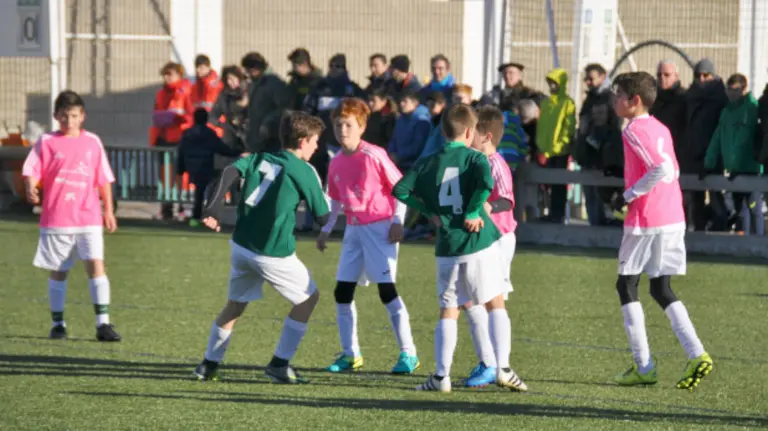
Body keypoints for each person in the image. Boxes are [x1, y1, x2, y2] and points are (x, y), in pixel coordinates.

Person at [193, 111, 331, 384]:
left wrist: (213, 208)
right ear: (303, 140)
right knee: (308, 298)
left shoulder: (261, 158)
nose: (317, 147)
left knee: (234, 306)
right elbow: (323, 216)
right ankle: (279, 365)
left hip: (242, 247)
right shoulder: (304, 170)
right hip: (273, 253)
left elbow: (230, 171)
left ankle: (207, 365)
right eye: (315, 141)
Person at [392, 104, 522, 393]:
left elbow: (399, 190)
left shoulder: (427, 162)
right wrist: (474, 210)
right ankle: (503, 368)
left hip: (447, 246)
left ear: (442, 131)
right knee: (495, 302)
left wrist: (428, 211)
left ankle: (441, 376)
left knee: (448, 309)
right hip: (478, 242)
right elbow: (487, 184)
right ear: (469, 131)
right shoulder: (475, 158)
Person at [609, 72, 712, 390]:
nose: (614, 100)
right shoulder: (660, 127)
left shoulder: (634, 130)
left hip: (647, 220)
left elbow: (663, 168)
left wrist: (628, 195)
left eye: (618, 94)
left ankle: (644, 366)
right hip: (671, 216)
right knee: (660, 288)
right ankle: (697, 354)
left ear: (634, 101)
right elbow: (673, 167)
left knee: (626, 286)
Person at [316, 98, 420, 375]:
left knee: (386, 292)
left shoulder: (374, 155)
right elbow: (336, 199)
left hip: (380, 228)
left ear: (361, 126)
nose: (343, 130)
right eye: (338, 125)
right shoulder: (336, 161)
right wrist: (326, 229)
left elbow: (401, 188)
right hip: (353, 230)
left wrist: (398, 220)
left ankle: (409, 354)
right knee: (342, 292)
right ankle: (351, 354)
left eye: (348, 124)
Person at [22, 90, 121, 342]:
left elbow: (103, 178)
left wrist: (108, 209)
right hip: (57, 219)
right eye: (64, 116)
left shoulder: (92, 142)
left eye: (74, 116)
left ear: (83, 116)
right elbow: (33, 169)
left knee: (96, 265)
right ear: (56, 116)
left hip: (88, 217)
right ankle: (58, 324)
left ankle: (103, 324)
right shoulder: (47, 142)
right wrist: (31, 187)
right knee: (58, 271)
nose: (69, 121)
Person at [460, 106, 527, 390]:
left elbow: (508, 201)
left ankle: (497, 364)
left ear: (485, 136)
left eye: (472, 132)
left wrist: (488, 206)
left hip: (499, 238)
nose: (467, 136)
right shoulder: (473, 161)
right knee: (468, 298)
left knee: (490, 299)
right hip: (480, 238)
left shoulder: (497, 164)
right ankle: (489, 361)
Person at [703, 73, 762, 235]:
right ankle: (743, 246)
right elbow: (717, 138)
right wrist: (709, 163)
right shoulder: (727, 112)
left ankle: (758, 246)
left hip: (751, 169)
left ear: (744, 90)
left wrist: (737, 165)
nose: (731, 94)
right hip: (734, 170)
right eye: (729, 90)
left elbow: (744, 139)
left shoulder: (751, 108)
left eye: (735, 90)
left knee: (754, 208)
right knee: (740, 208)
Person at [176, 108, 245, 227]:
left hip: (192, 166)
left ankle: (197, 216)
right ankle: (205, 215)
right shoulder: (209, 134)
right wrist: (237, 151)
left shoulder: (187, 134)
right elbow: (222, 148)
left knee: (199, 192)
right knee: (214, 186)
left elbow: (181, 151)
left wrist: (181, 168)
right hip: (205, 165)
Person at [536, 68, 576, 223]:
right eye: (550, 83)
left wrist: (554, 150)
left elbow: (568, 129)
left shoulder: (568, 103)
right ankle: (549, 212)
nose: (552, 86)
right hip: (545, 151)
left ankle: (557, 214)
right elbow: (541, 127)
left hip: (559, 153)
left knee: (559, 186)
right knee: (545, 185)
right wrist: (541, 149)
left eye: (555, 83)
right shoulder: (546, 103)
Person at [388, 90, 432, 172]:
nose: (401, 104)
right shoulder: (401, 118)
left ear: (415, 103)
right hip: (397, 163)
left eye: (405, 101)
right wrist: (391, 153)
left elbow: (418, 146)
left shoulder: (421, 121)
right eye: (401, 101)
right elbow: (394, 138)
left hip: (413, 167)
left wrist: (399, 156)